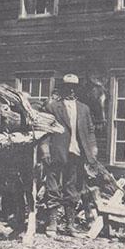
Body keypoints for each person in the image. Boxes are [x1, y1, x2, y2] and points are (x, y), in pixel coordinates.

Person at [40, 74, 99, 238]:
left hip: (77, 153)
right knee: (53, 185)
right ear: (63, 89)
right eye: (68, 88)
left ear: (78, 90)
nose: (71, 91)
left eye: (74, 88)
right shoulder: (53, 108)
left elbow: (91, 131)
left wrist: (92, 150)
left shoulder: (84, 109)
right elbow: (44, 131)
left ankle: (70, 224)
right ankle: (52, 223)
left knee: (73, 187)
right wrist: (45, 151)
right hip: (56, 153)